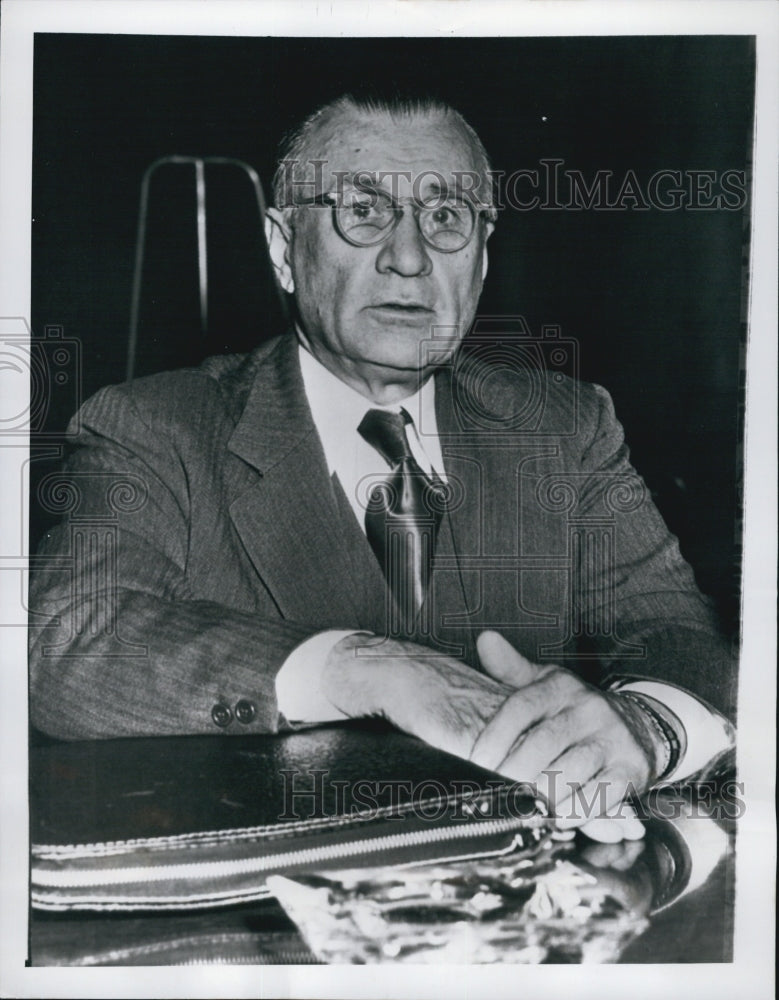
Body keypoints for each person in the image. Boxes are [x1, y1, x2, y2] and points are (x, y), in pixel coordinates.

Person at [29, 92, 735, 841]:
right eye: (362, 210)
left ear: (483, 256)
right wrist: (367, 668)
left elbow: (678, 633)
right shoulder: (158, 427)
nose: (409, 256)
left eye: (445, 217)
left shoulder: (563, 427)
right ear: (282, 247)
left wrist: (643, 724)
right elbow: (65, 640)